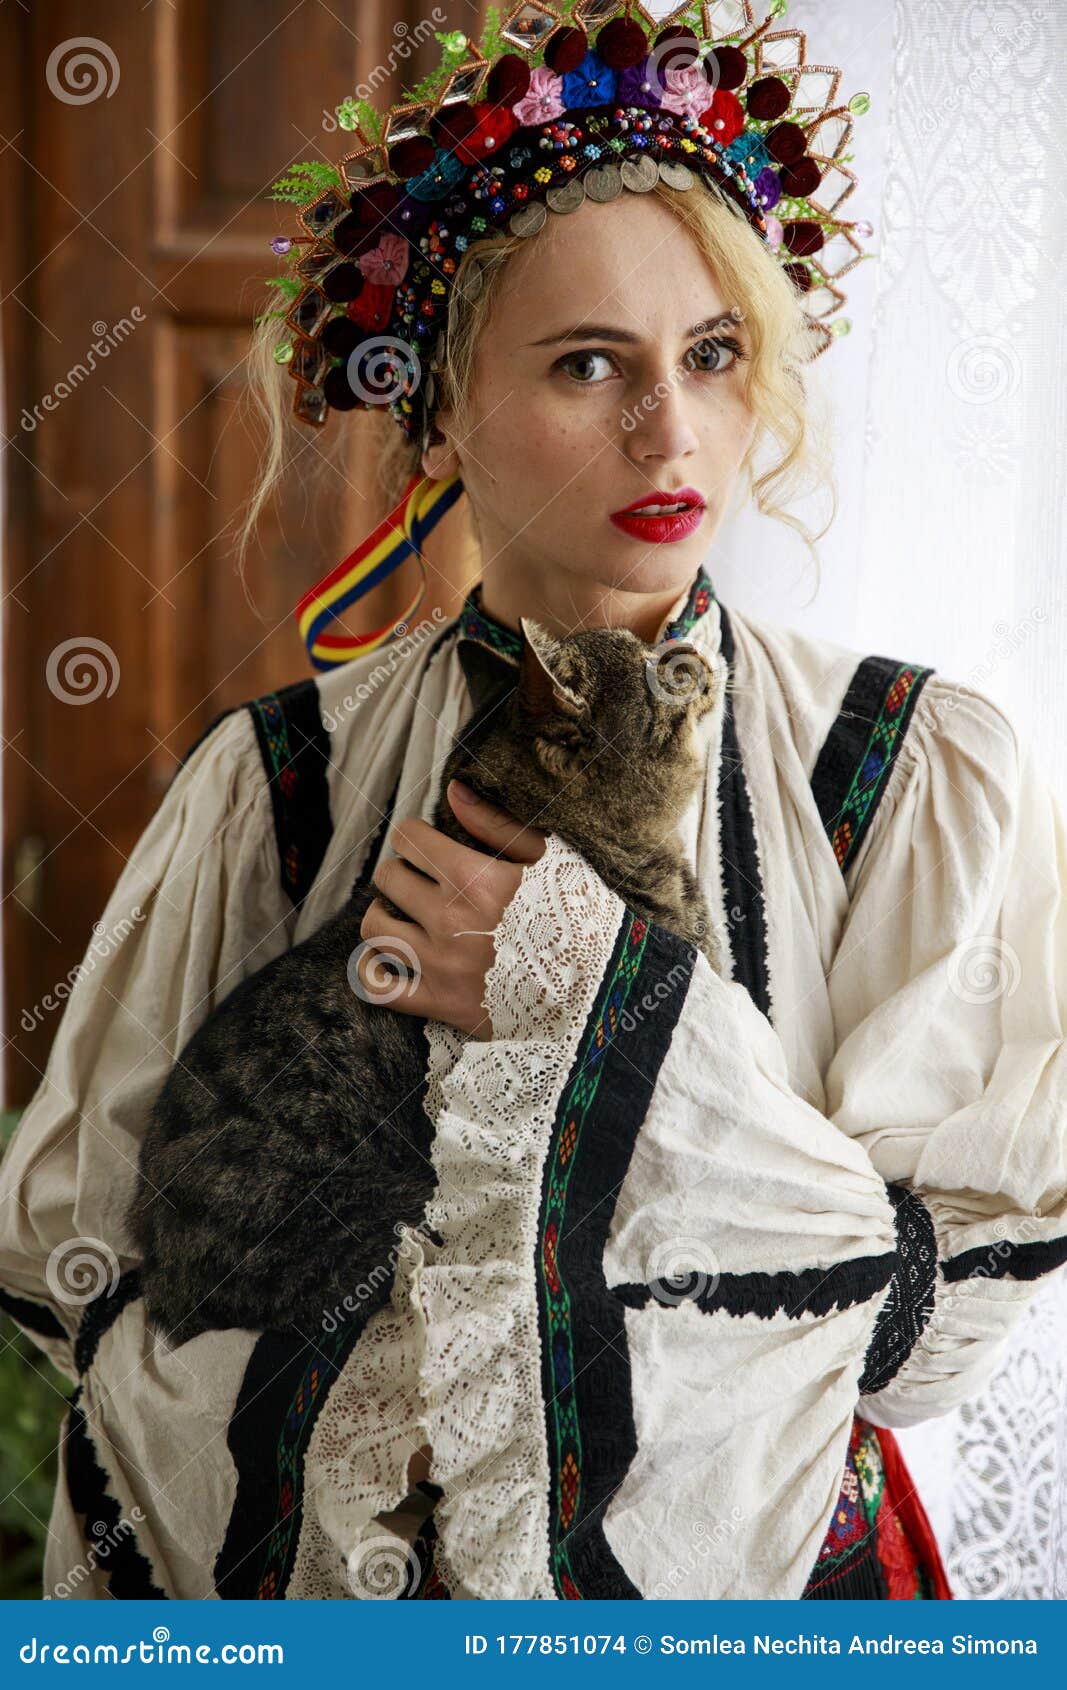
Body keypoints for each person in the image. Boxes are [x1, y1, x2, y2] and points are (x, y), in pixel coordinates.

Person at [1, 2, 1065, 1602]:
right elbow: (83, 1269)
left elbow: (929, 1317)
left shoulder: (907, 769)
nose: (670, 431)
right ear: (435, 410)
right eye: (588, 365)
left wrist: (599, 996)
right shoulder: (275, 783)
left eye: (712, 358)